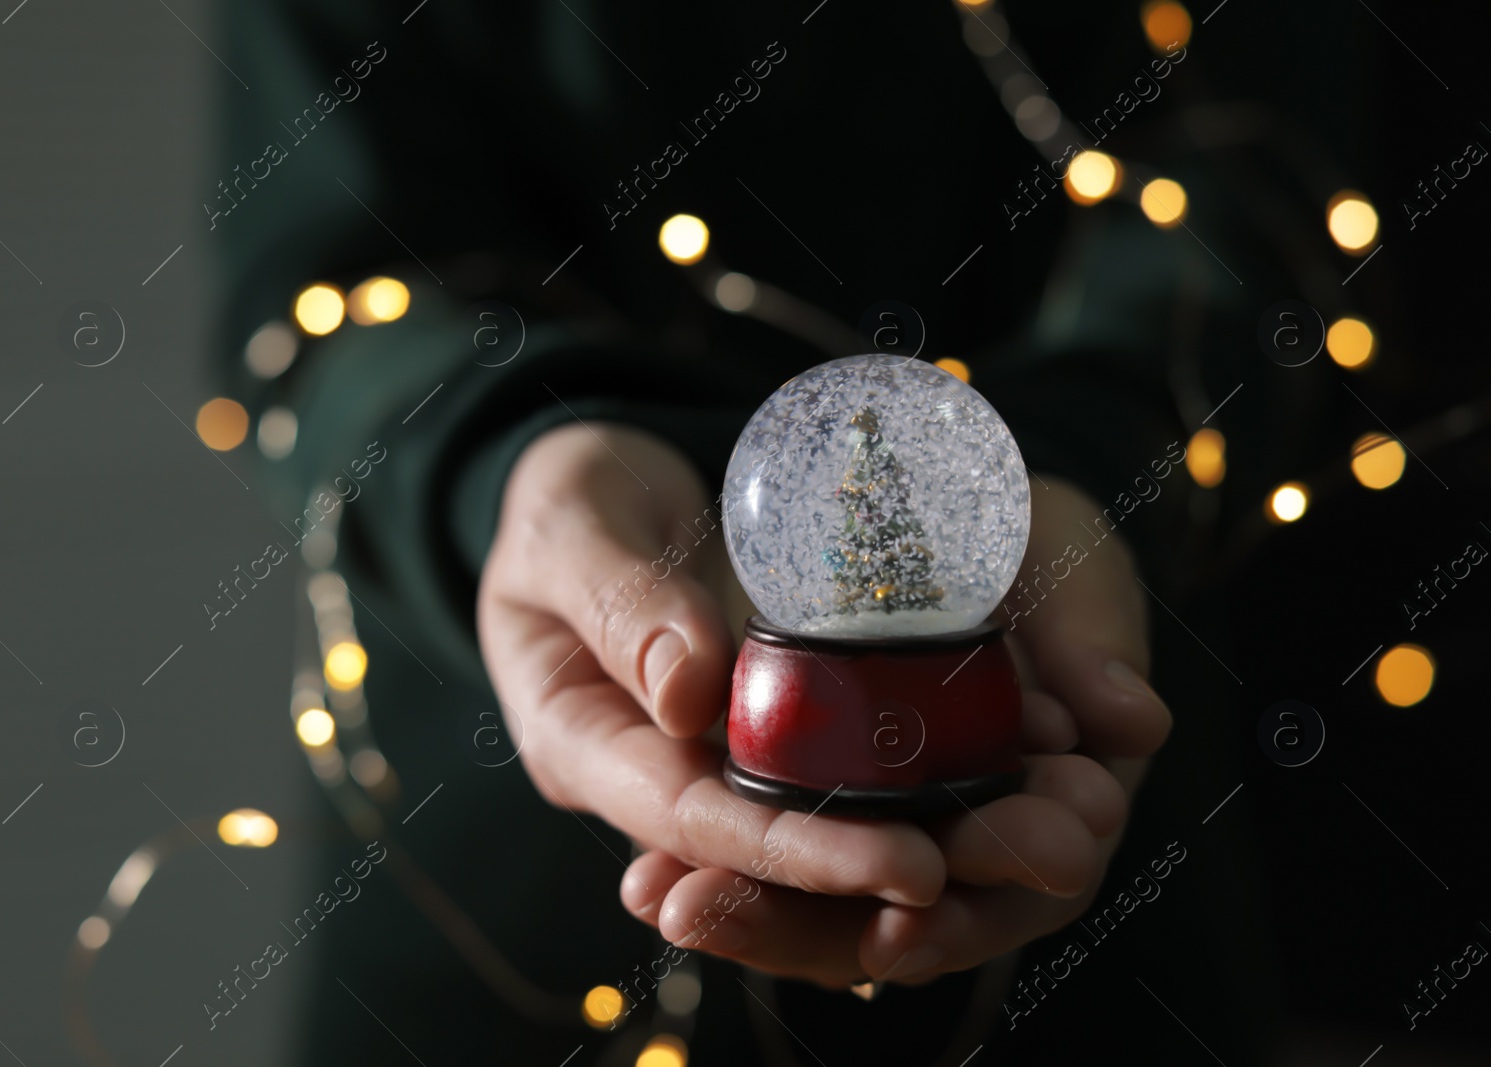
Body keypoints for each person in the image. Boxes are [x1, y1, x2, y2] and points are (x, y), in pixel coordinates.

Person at [218, 1, 1277, 1061]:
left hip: (1097, 931)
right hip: (494, 905)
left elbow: (1261, 196)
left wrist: (1093, 446)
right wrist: (502, 460)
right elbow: (322, 276)